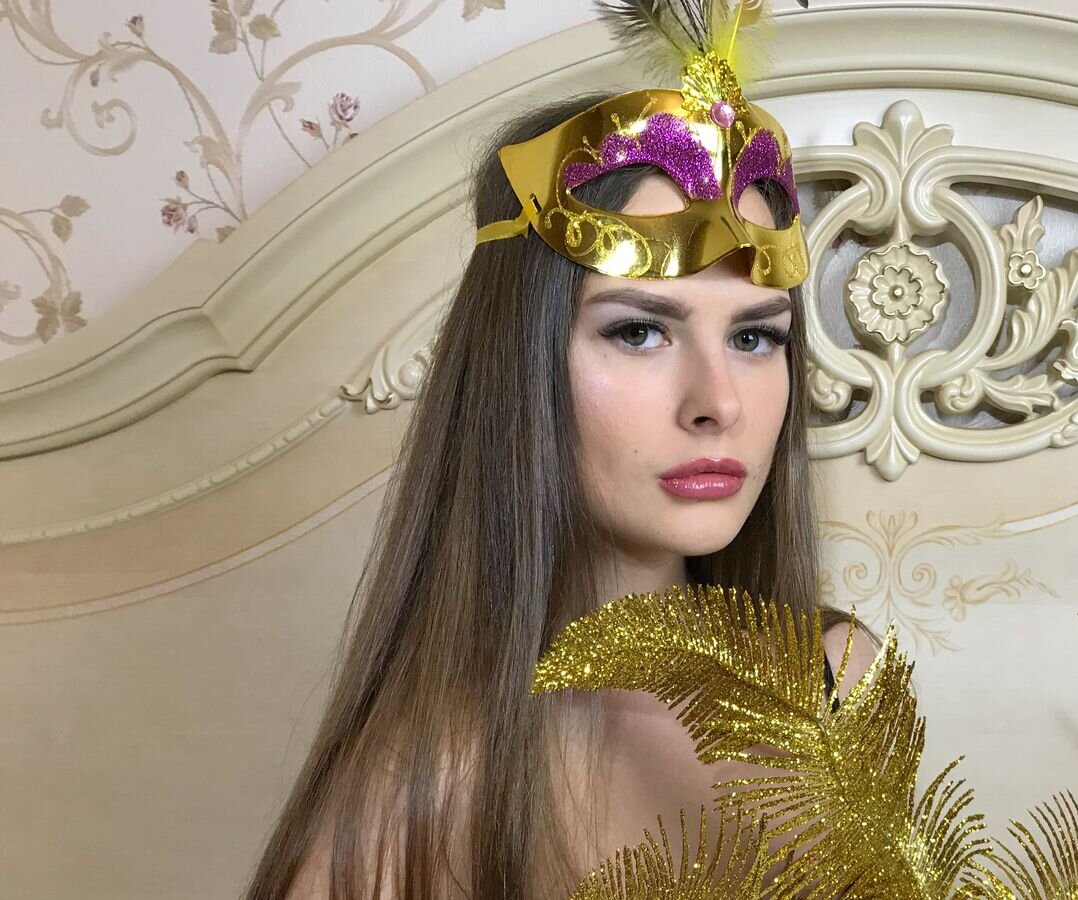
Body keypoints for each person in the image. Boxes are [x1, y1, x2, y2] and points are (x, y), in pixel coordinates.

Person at [241, 5, 870, 898]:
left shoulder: (840, 677)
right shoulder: (427, 791)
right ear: (519, 362)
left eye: (755, 337)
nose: (719, 403)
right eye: (640, 331)